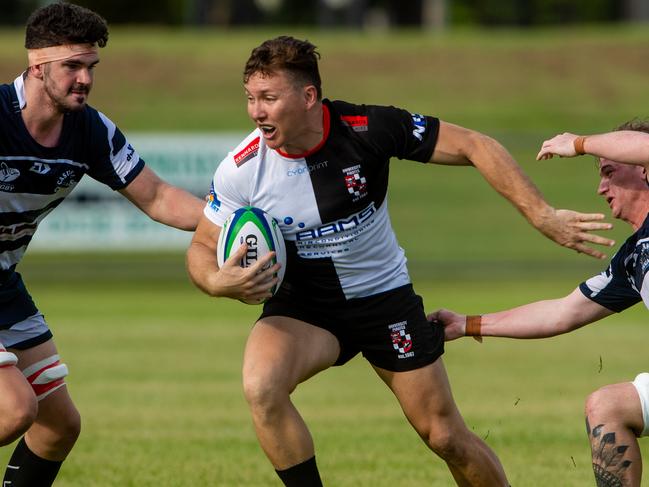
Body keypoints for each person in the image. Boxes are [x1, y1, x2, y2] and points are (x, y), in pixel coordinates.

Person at [186, 36, 614, 487]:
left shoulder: (367, 128)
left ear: (308, 96)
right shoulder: (241, 167)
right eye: (251, 98)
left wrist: (542, 215)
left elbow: (475, 145)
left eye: (268, 98)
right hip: (305, 310)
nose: (256, 111)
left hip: (383, 300)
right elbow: (201, 245)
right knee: (261, 386)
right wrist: (217, 282)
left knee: (445, 436)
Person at [0, 3, 208, 486]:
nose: (85, 79)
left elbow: (157, 197)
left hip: (4, 286)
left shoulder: (89, 130)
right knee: (14, 410)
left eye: (90, 67)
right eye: (71, 66)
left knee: (58, 426)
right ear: (37, 65)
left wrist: (229, 220)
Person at [431, 120, 649, 486]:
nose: (601, 188)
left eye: (609, 172)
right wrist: (468, 324)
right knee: (605, 407)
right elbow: (562, 313)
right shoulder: (631, 261)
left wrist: (579, 143)